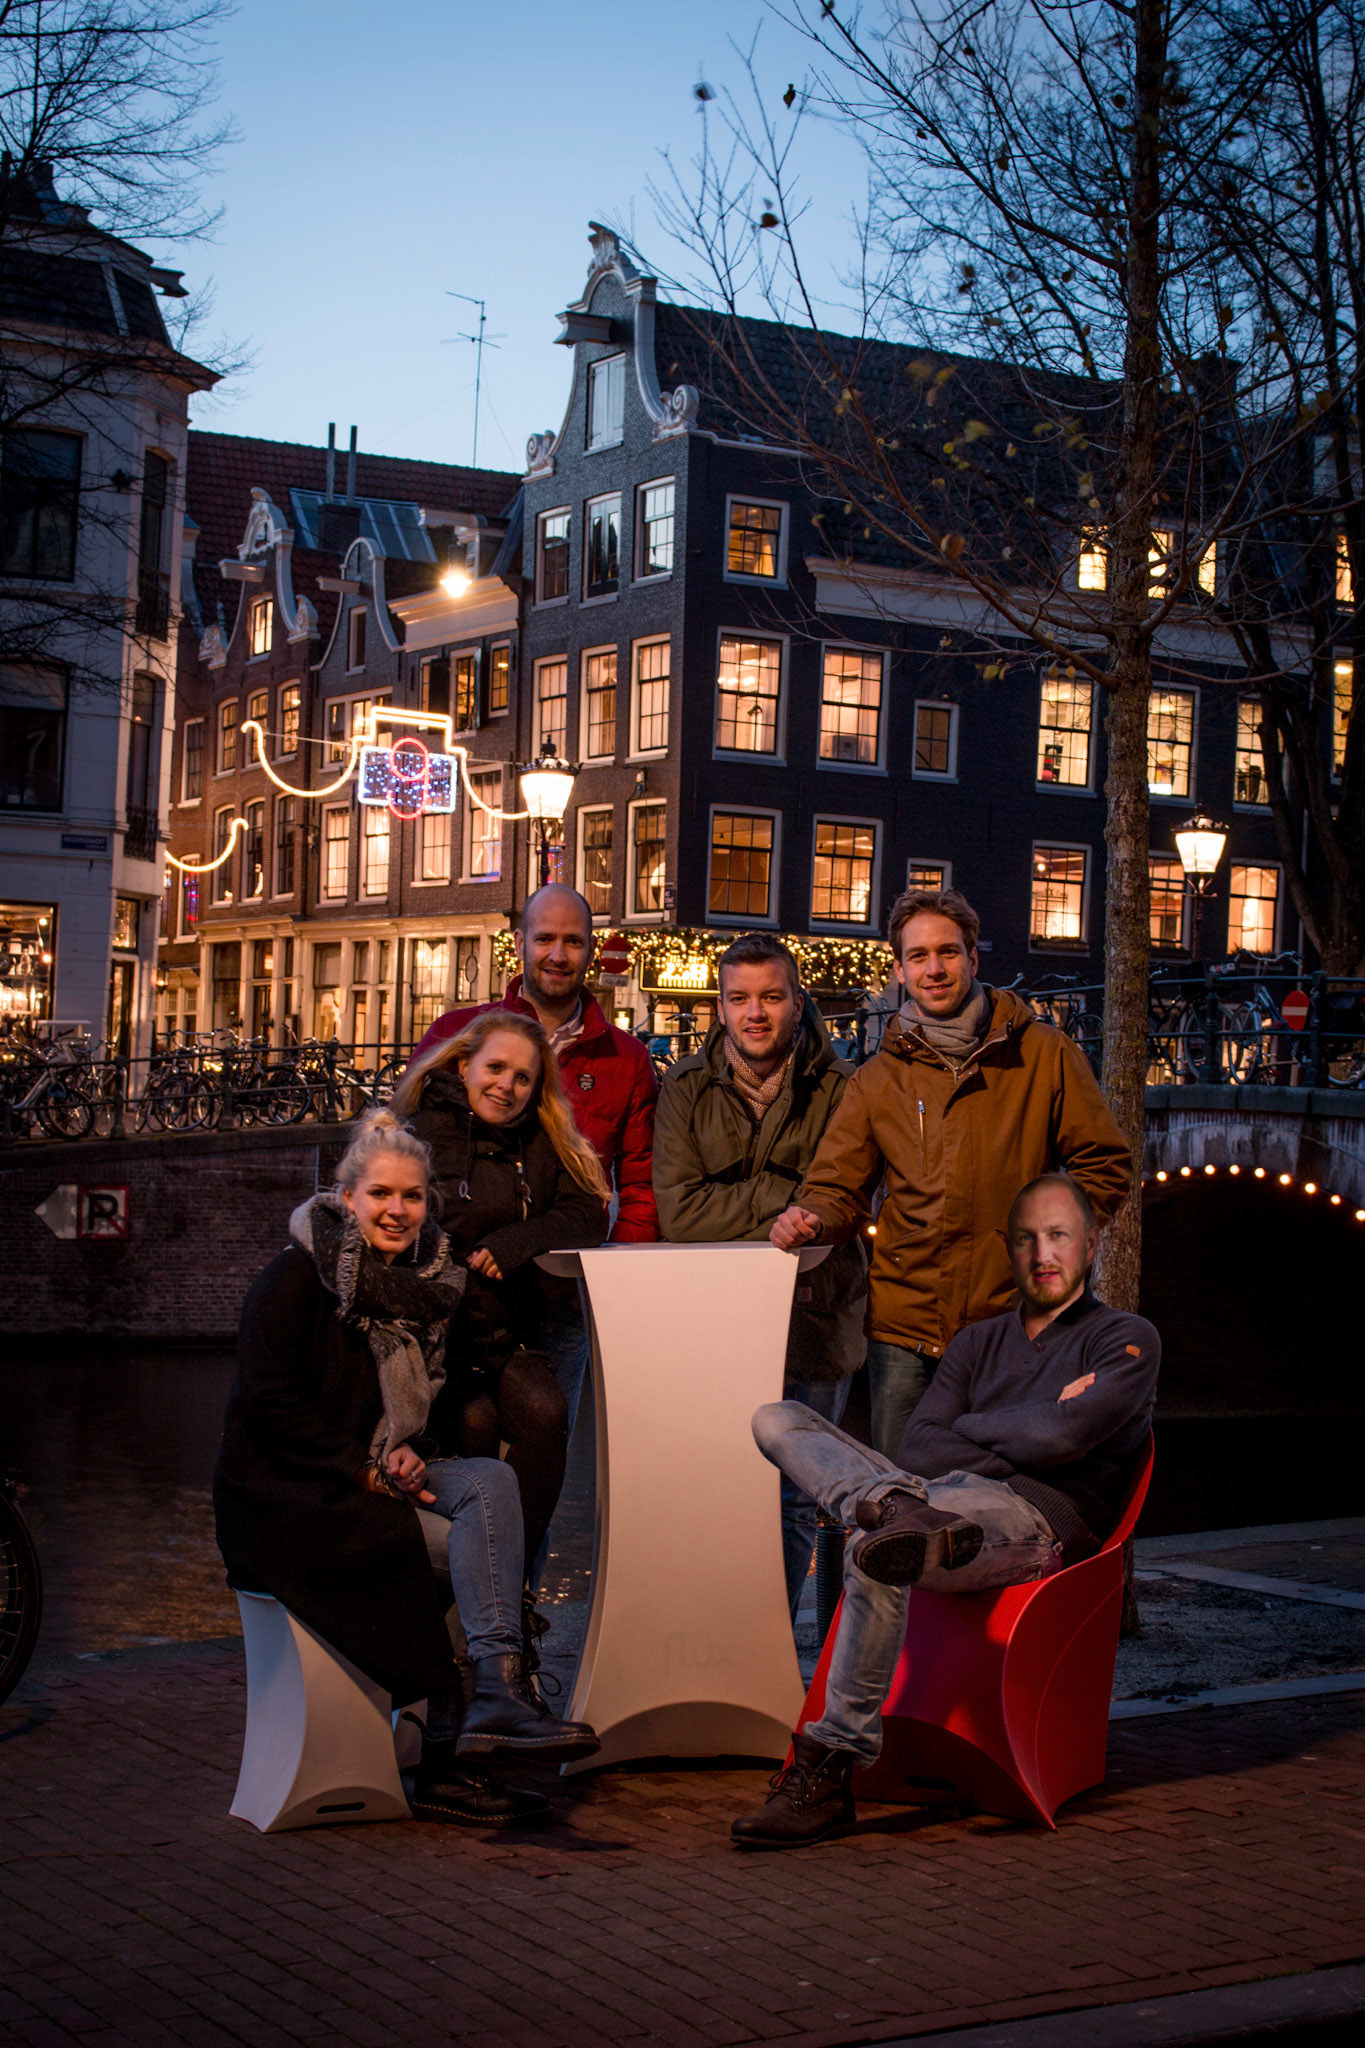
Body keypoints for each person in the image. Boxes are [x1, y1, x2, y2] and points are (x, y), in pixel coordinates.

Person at [734, 1172, 1159, 1848]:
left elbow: (1066, 1437)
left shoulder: (1125, 1339)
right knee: (775, 1418)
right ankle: (893, 1507)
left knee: (875, 1551)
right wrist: (1037, 1419)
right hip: (931, 1497)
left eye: (1058, 1236)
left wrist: (981, 1427)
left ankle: (829, 1769)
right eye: (1027, 1239)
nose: (1043, 1254)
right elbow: (920, 1446)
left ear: (1090, 1244)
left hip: (1032, 1518)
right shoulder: (975, 1342)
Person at [213, 1108, 599, 1831]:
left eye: (413, 1196)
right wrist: (362, 1469)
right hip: (291, 1495)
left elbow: (421, 1403)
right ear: (347, 1197)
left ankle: (496, 1692)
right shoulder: (295, 1279)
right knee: (469, 1551)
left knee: (493, 1482)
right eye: (381, 1194)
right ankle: (448, 1753)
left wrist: (407, 1448)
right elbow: (267, 1408)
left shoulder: (428, 1285)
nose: (397, 1210)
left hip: (376, 1476)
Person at [771, 887, 1133, 1456]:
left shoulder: (1044, 1054)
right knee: (904, 1488)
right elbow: (837, 1185)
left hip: (1012, 1324)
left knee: (1001, 1488)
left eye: (947, 952)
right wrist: (811, 1217)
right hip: (904, 1329)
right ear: (900, 970)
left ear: (972, 958)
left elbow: (1104, 1164)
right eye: (918, 956)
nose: (934, 969)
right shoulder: (878, 1079)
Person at [652, 934, 867, 1614]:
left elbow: (843, 1198)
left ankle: (771, 1637)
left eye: (771, 997)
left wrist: (778, 1209)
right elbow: (679, 1214)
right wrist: (784, 1200)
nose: (755, 1013)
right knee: (720, 1483)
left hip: (815, 1316)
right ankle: (724, 1631)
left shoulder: (842, 1089)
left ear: (797, 1003)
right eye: (739, 999)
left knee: (795, 1497)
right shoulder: (685, 1087)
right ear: (719, 1007)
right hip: (718, 1321)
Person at [411, 884, 659, 1436]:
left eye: (573, 941)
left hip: (559, 1297)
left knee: (544, 1451)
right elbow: (410, 1155)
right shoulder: (457, 1033)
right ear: (520, 942)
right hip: (458, 1301)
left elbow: (640, 1184)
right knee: (451, 1445)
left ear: (591, 949)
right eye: (545, 938)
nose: (557, 954)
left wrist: (612, 1282)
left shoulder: (626, 1059)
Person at [393, 1011, 610, 1594]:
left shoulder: (540, 1141)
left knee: (546, 1412)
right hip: (435, 1347)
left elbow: (588, 1213)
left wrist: (516, 1243)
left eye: (523, 1077)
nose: (506, 1086)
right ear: (464, 1066)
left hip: (502, 1338)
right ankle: (460, 1603)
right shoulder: (419, 1133)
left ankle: (511, 1589)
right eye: (495, 1068)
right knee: (476, 1425)